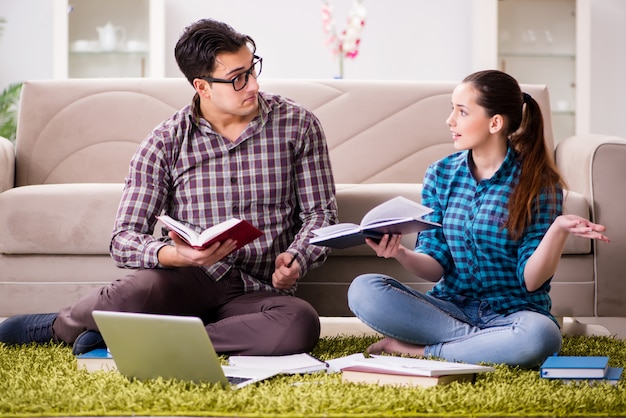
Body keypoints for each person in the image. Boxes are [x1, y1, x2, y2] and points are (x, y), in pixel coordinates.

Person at [0, 18, 337, 356]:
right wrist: (175, 255)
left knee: (300, 323)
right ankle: (60, 325)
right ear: (202, 87)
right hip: (186, 281)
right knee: (131, 293)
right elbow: (123, 239)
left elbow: (320, 212)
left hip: (258, 292)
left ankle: (144, 336)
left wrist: (297, 258)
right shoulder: (164, 142)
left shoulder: (298, 125)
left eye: (252, 70)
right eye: (238, 79)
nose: (253, 85)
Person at [347, 70, 609, 368]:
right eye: (452, 109)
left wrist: (558, 230)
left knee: (540, 336)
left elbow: (532, 281)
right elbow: (435, 267)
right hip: (449, 309)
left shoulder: (538, 182)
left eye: (462, 111)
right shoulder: (440, 174)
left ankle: (420, 351)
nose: (450, 121)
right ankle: (488, 343)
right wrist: (400, 253)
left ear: (495, 123)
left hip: (514, 313)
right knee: (364, 290)